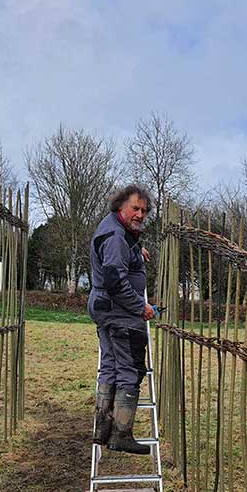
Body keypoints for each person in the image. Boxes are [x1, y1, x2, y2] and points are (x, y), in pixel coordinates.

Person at [88, 185, 156, 455]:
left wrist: (137, 251)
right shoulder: (116, 236)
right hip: (119, 312)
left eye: (144, 210)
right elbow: (115, 280)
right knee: (129, 370)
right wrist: (141, 307)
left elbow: (118, 260)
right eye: (135, 209)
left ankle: (102, 429)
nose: (140, 214)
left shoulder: (116, 231)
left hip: (105, 308)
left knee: (110, 367)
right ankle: (121, 434)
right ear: (120, 207)